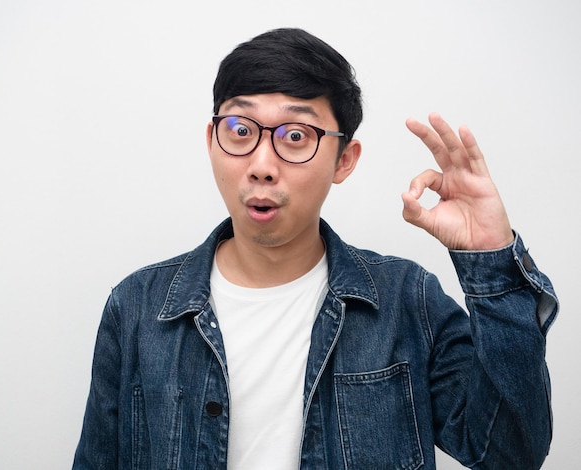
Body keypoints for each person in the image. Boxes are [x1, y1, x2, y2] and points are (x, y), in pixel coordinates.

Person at [72, 28, 559, 469]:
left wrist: (491, 258)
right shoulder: (135, 307)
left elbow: (511, 453)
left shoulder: (408, 301)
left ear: (344, 160)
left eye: (296, 136)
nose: (262, 164)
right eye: (241, 130)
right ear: (212, 140)